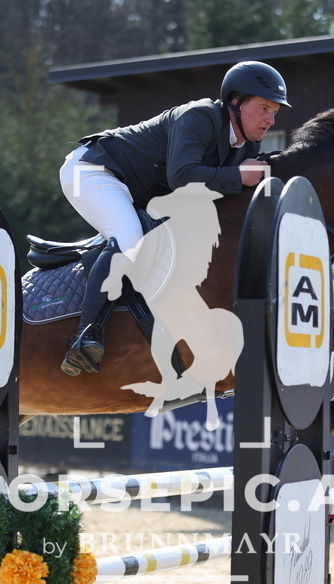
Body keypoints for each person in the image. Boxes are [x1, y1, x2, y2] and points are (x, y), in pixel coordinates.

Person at [58, 60, 289, 376]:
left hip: (135, 189)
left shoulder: (246, 144)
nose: (270, 119)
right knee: (129, 237)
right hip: (96, 170)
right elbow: (182, 176)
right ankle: (86, 336)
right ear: (235, 102)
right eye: (263, 108)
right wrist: (238, 175)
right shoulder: (201, 116)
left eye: (275, 112)